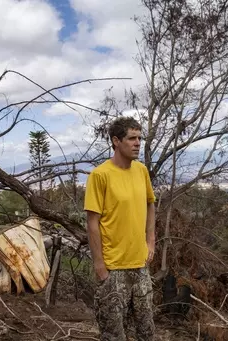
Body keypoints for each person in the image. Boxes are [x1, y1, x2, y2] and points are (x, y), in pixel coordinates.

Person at [84, 116, 156, 341]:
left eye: (139, 138)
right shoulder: (100, 175)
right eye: (132, 138)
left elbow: (150, 203)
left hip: (140, 266)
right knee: (114, 335)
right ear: (116, 141)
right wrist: (100, 266)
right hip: (113, 269)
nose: (137, 143)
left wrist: (150, 241)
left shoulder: (141, 171)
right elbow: (92, 222)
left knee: (146, 333)